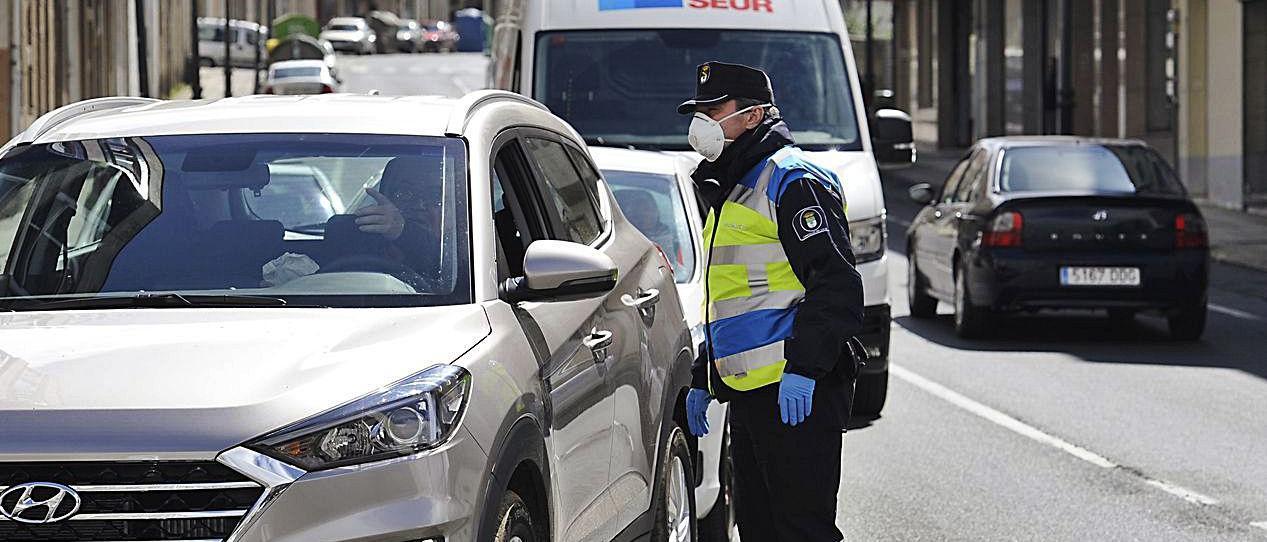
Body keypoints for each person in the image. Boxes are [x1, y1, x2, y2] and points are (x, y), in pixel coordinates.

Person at [680, 61, 865, 542]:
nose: (702, 120)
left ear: (754, 116)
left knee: (802, 531)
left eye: (713, 108)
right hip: (752, 395)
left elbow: (837, 286)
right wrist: (707, 374)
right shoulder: (734, 184)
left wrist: (804, 369)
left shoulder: (792, 180)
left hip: (796, 392)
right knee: (760, 530)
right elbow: (731, 300)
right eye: (698, 109)